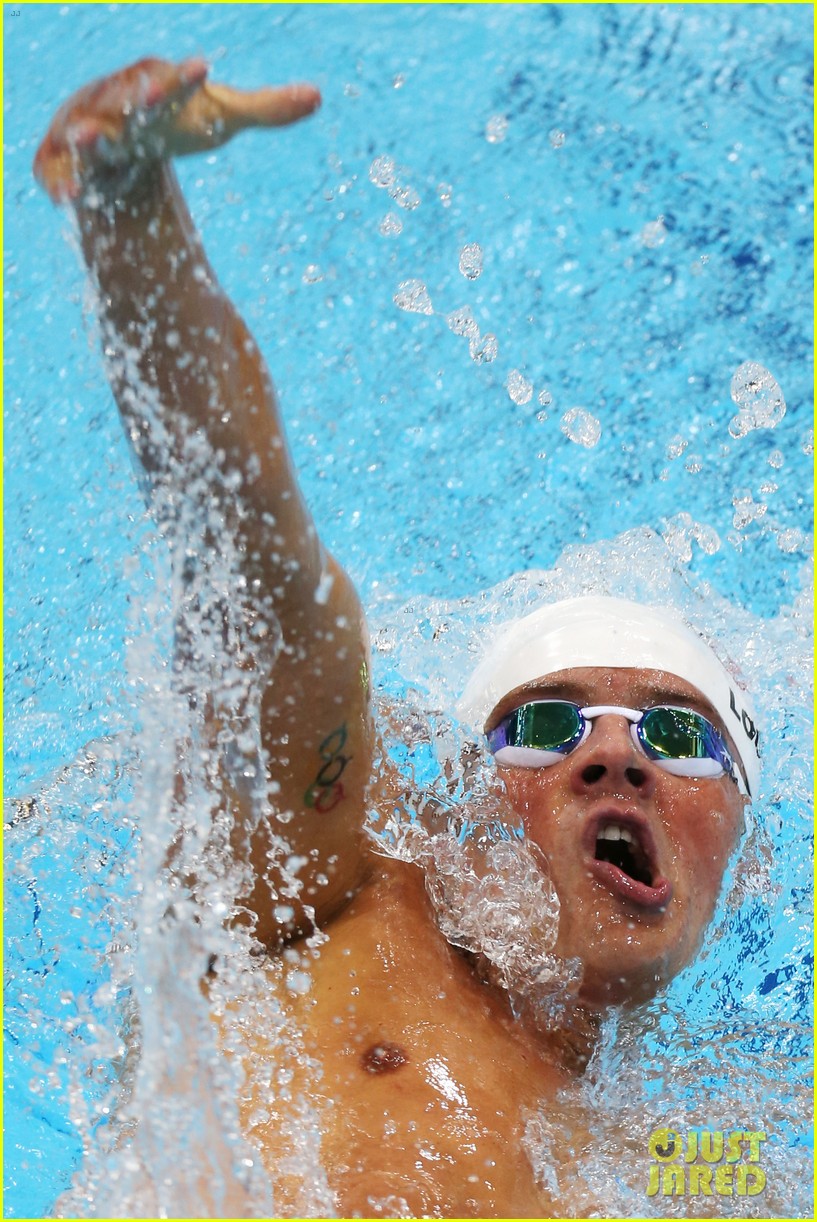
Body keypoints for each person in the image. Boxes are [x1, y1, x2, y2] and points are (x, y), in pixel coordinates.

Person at [34, 57, 760, 1218]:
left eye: (676, 732)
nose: (611, 756)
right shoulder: (330, 897)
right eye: (544, 725)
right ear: (474, 798)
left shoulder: (679, 1141)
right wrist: (129, 219)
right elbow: (260, 578)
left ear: (746, 845)